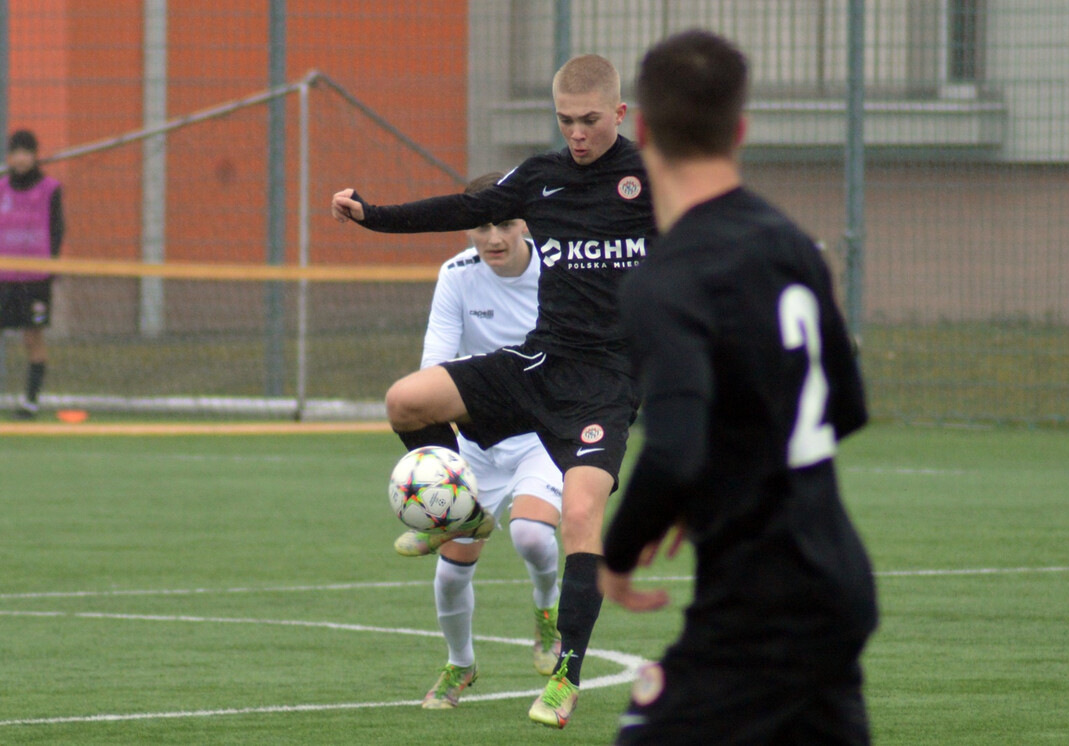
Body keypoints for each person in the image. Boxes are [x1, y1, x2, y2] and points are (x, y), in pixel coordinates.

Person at [332, 53, 655, 728]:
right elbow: (465, 206)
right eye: (566, 120)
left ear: (620, 115)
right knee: (406, 401)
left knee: (578, 519)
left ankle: (565, 677)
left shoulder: (650, 183)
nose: (577, 134)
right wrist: (373, 215)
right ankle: (466, 515)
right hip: (539, 364)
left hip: (607, 386)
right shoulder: (539, 179)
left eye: (590, 121)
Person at [598, 30, 879, 745]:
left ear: (643, 130)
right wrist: (722, 475)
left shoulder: (668, 278)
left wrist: (619, 553)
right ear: (741, 129)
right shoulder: (789, 242)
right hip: (836, 579)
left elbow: (672, 452)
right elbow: (843, 406)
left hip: (764, 606)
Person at [407, 171, 564, 709]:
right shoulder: (456, 275)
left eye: (505, 222)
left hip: (542, 435)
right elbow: (435, 365)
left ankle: (547, 614)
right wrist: (438, 465)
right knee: (452, 571)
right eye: (480, 224)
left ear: (526, 222)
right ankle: (461, 665)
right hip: (476, 441)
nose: (494, 237)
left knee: (533, 538)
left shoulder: (556, 270)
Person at [0, 129, 64, 420]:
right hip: (4, 277)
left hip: (35, 279)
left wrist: (51, 267)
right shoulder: (2, 188)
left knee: (32, 339)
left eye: (28, 152)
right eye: (17, 152)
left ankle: (31, 402)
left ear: (35, 155)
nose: (22, 158)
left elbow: (57, 229)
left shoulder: (50, 188)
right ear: (10, 157)